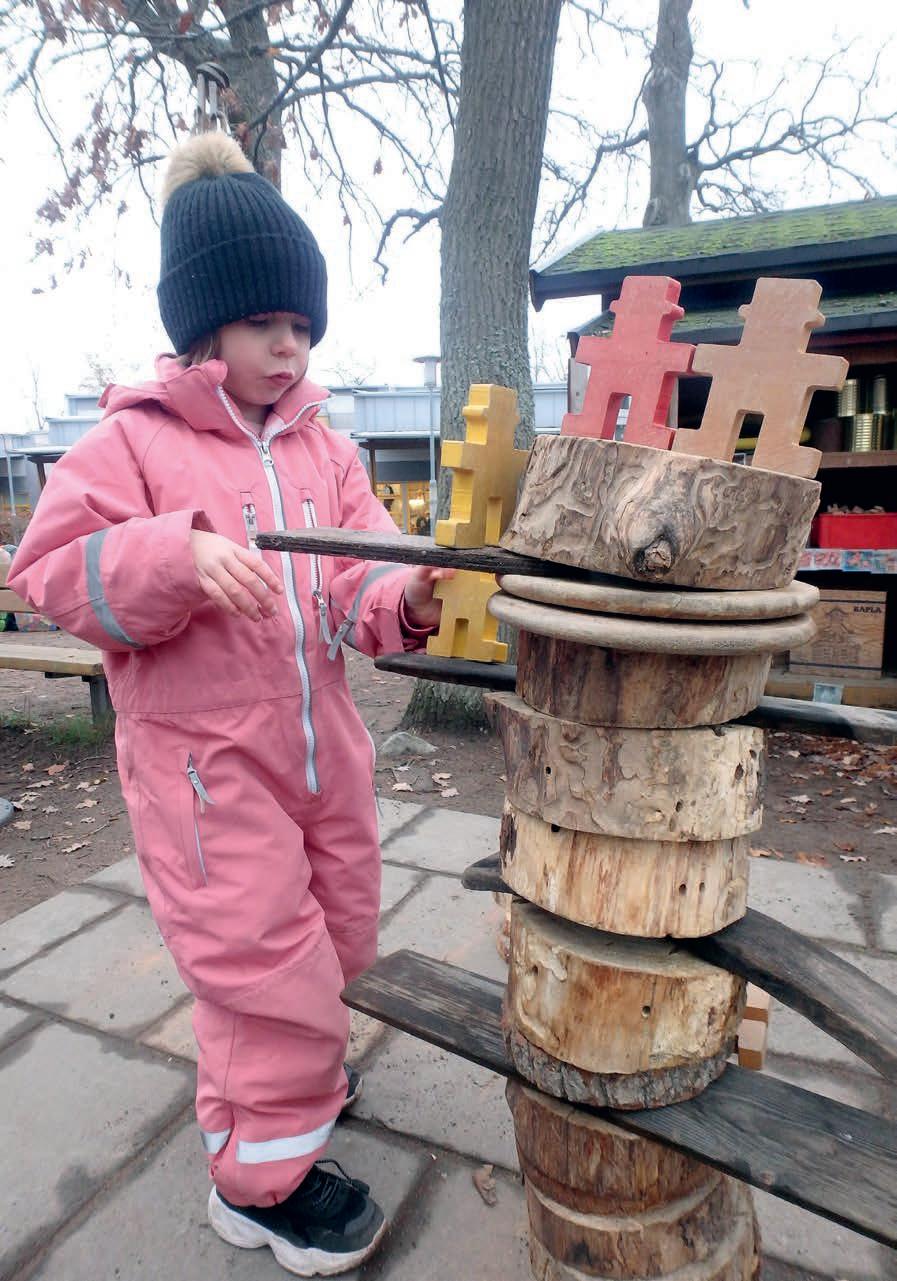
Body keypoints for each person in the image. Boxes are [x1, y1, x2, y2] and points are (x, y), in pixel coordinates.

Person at [8, 131, 452, 1277]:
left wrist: (407, 594)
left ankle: (280, 1095)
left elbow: (356, 575)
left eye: (302, 325)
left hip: (322, 756)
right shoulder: (132, 442)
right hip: (205, 776)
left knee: (341, 932)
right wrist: (173, 555)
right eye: (264, 323)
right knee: (264, 963)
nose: (289, 345)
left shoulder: (324, 449)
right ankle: (261, 1187)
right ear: (203, 323)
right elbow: (50, 572)